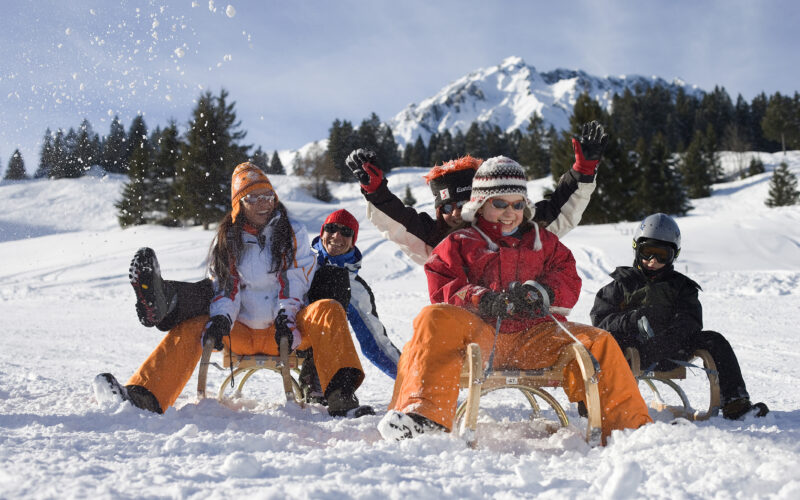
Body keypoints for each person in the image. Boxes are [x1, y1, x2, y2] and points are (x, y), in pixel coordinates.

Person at [377, 157, 652, 445]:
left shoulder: (542, 241)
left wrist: (540, 293)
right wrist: (482, 299)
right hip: (479, 338)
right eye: (500, 204)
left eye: (517, 204)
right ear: (481, 203)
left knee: (599, 342)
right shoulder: (460, 241)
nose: (510, 213)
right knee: (433, 318)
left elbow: (568, 277)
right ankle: (426, 418)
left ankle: (629, 429)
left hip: (533, 338)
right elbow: (443, 285)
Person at [94, 162, 373, 418]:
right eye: (254, 197)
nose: (264, 203)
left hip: (288, 332)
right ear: (240, 203)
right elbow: (227, 286)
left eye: (268, 196)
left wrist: (286, 318)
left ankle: (341, 399)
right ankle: (145, 395)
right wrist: (221, 319)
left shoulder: (292, 232)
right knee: (195, 325)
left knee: (328, 310)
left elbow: (294, 279)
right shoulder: (229, 238)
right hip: (241, 331)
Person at [344, 120, 609, 265]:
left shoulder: (515, 225)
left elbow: (559, 211)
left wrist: (583, 170)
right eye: (447, 208)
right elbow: (398, 222)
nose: (457, 213)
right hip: (459, 330)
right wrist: (376, 191)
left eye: (464, 202)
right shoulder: (434, 239)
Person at [590, 213, 769, 420]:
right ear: (637, 250)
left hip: (672, 349)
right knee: (605, 343)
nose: (652, 261)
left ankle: (735, 403)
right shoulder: (621, 285)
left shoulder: (682, 287)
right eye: (647, 253)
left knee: (714, 339)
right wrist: (630, 320)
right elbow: (601, 322)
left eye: (661, 255)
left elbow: (690, 320)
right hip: (631, 351)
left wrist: (667, 338)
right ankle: (602, 403)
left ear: (674, 255)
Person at [298, 209, 401, 402]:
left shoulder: (355, 286)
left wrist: (410, 378)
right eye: (331, 228)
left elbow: (376, 343)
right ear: (322, 233)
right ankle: (317, 377)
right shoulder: (302, 264)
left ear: (353, 240)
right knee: (331, 279)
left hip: (321, 341)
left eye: (346, 232)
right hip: (287, 332)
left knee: (336, 281)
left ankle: (329, 383)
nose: (337, 236)